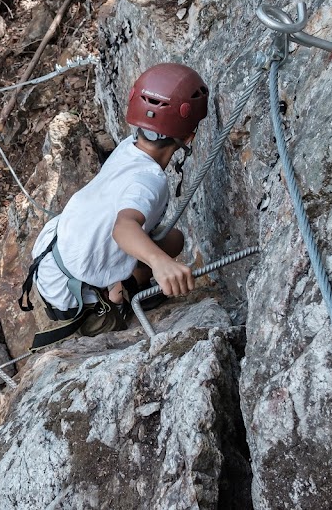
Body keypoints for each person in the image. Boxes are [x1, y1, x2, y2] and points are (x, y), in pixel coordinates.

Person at [20, 63, 209, 348]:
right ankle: (119, 295)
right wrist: (160, 263)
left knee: (170, 238)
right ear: (189, 137)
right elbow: (123, 228)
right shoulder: (150, 179)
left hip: (52, 259)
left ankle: (120, 283)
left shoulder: (128, 147)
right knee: (168, 246)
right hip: (78, 302)